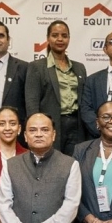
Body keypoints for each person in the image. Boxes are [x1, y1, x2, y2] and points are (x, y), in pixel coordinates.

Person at [25, 20, 88, 155]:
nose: (60, 39)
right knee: (51, 163)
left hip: (76, 126)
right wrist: (37, 130)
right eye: (55, 35)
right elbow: (32, 102)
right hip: (51, 125)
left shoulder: (79, 67)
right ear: (48, 38)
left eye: (64, 36)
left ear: (69, 39)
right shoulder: (37, 67)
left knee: (74, 163)